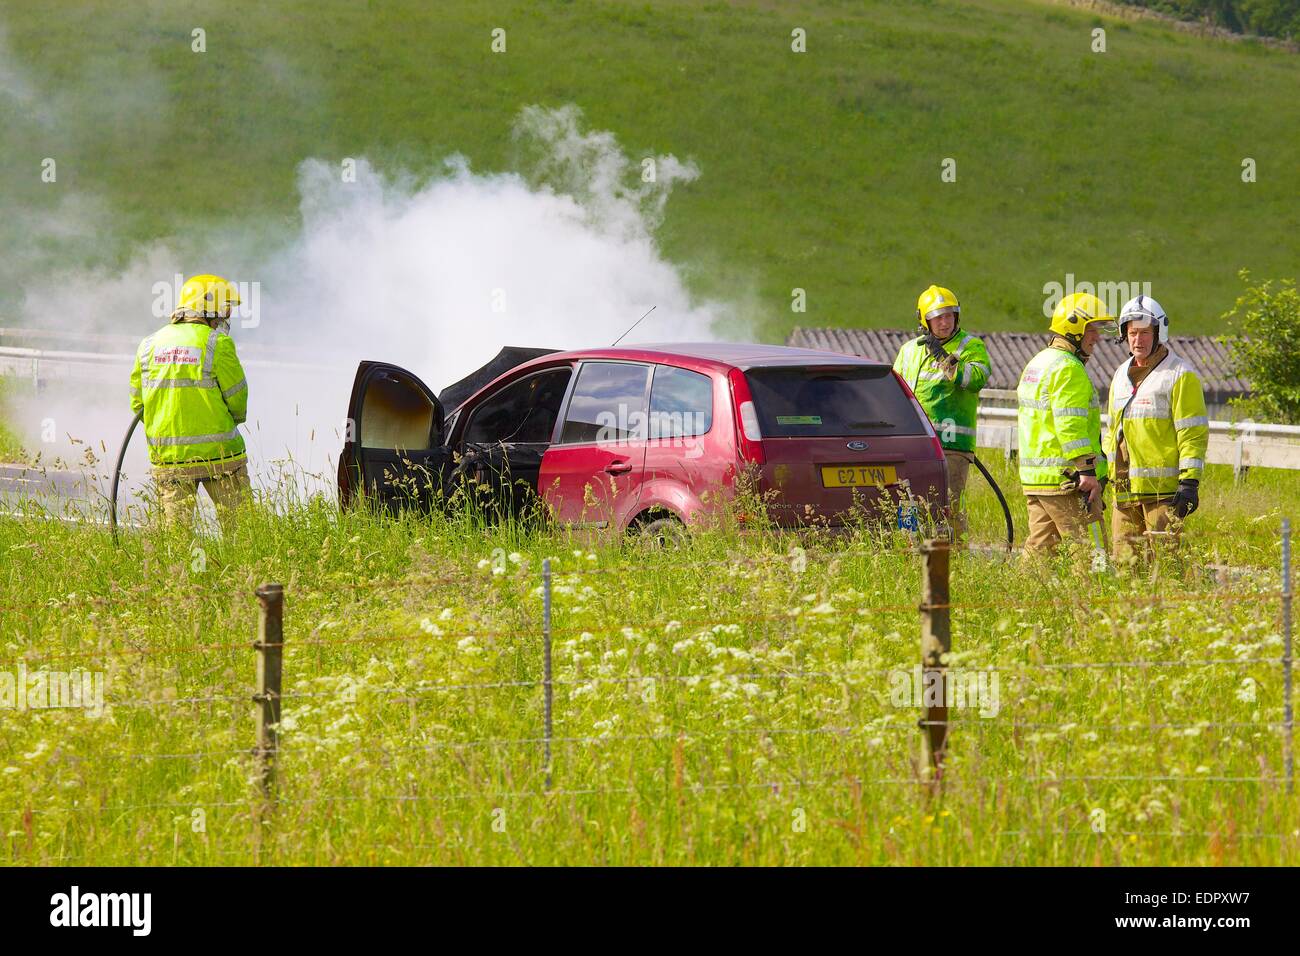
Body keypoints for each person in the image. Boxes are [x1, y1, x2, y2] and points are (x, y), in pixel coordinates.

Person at [129, 274, 250, 532]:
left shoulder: (148, 345)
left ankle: (178, 574)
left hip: (169, 458)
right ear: (207, 306)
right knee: (241, 532)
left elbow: (138, 404)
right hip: (222, 457)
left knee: (175, 538)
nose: (224, 319)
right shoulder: (217, 343)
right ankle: (241, 573)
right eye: (223, 310)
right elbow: (238, 400)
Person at [1103, 295, 1208, 568]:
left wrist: (1189, 483)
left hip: (1163, 494)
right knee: (1125, 567)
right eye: (1132, 333)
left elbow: (1192, 434)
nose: (1137, 340)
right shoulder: (1119, 375)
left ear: (1159, 333)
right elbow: (1113, 429)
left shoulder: (1180, 374)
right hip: (1124, 492)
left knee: (1166, 567)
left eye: (1144, 333)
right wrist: (1106, 473)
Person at [1017, 291, 1116, 566]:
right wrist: (1086, 470)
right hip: (1068, 479)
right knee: (1092, 552)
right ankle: (1095, 603)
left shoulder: (1037, 363)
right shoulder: (1069, 368)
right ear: (1074, 327)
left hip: (1038, 480)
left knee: (1039, 553)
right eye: (1092, 328)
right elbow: (1069, 423)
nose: (1097, 337)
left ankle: (1023, 603)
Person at [893, 285, 990, 545]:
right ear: (925, 320)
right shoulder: (909, 350)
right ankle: (910, 551)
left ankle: (955, 557)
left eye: (950, 315)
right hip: (913, 446)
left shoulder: (970, 345)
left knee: (948, 506)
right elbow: (895, 392)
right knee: (908, 506)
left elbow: (976, 379)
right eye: (938, 317)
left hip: (951, 446)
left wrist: (944, 358)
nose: (945, 322)